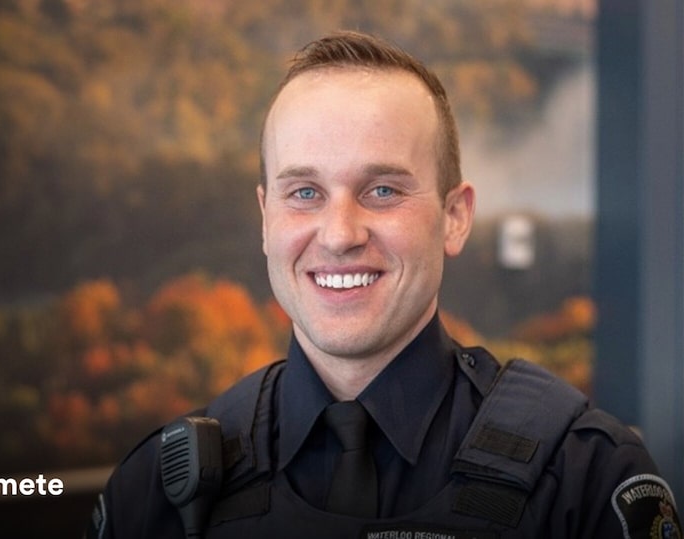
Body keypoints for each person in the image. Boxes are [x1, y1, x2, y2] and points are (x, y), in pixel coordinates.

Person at [85, 31, 680, 539]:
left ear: (455, 217)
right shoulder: (159, 492)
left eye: (383, 191)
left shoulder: (584, 478)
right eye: (306, 193)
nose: (340, 234)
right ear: (266, 219)